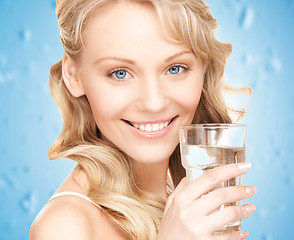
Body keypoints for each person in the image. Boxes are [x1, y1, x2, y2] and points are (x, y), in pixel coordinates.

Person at [30, 0, 256, 239]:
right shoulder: (64, 227)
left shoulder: (182, 199)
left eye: (175, 68)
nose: (153, 102)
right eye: (120, 73)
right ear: (73, 76)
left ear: (204, 69)